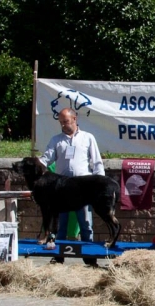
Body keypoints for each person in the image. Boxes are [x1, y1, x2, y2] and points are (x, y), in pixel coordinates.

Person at [39, 107, 104, 266]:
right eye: (61, 122)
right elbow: (45, 159)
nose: (63, 125)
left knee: (86, 224)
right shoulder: (56, 140)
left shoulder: (88, 138)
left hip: (83, 188)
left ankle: (90, 258)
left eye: (66, 121)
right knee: (60, 224)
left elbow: (97, 163)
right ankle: (58, 256)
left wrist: (100, 184)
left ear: (75, 119)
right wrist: (33, 165)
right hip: (61, 189)